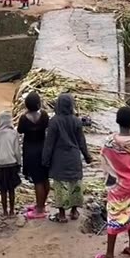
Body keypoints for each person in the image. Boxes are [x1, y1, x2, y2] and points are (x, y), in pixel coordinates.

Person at [97, 107, 130, 258]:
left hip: (119, 184)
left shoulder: (110, 142)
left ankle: (109, 253)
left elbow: (104, 159)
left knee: (114, 216)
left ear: (117, 121)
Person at [42, 93, 92, 223]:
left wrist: (45, 160)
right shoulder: (76, 121)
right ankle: (74, 211)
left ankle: (62, 214)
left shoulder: (54, 122)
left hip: (59, 159)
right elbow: (82, 141)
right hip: (74, 157)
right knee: (75, 184)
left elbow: (49, 144)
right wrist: (87, 156)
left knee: (61, 187)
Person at [17, 92, 50, 219]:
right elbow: (46, 127)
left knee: (37, 180)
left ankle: (40, 209)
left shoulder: (24, 118)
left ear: (26, 105)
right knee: (44, 177)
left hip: (31, 149)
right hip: (43, 147)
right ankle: (41, 204)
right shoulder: (44, 115)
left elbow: (20, 130)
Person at [0, 111, 22, 216]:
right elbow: (17, 150)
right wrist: (19, 163)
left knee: (3, 190)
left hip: (0, 165)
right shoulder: (14, 134)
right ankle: (12, 210)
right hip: (12, 164)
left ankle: (4, 211)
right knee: (12, 189)